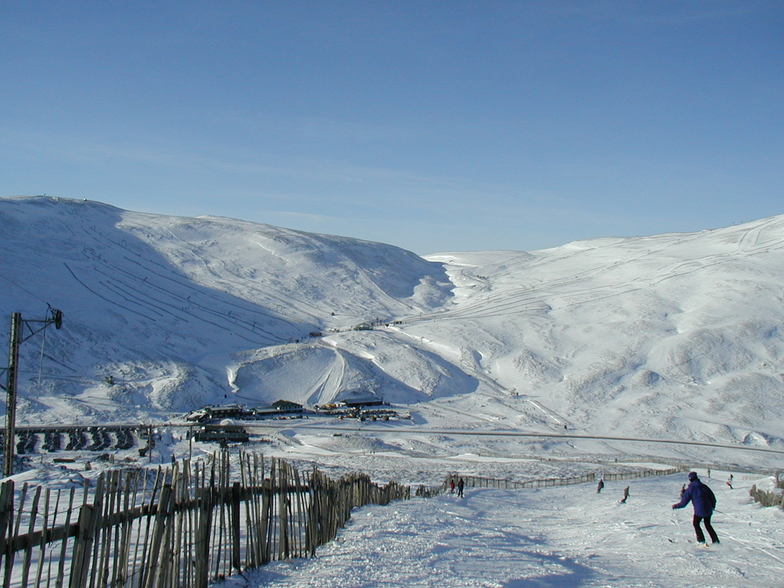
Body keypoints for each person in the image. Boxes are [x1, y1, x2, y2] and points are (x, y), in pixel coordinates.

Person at [672, 472, 719, 545]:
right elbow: (713, 498)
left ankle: (701, 541)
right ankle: (716, 541)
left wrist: (675, 506)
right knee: (708, 524)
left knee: (696, 523)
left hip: (699, 511)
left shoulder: (690, 489)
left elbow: (683, 503)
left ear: (690, 479)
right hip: (708, 510)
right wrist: (712, 507)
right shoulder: (704, 486)